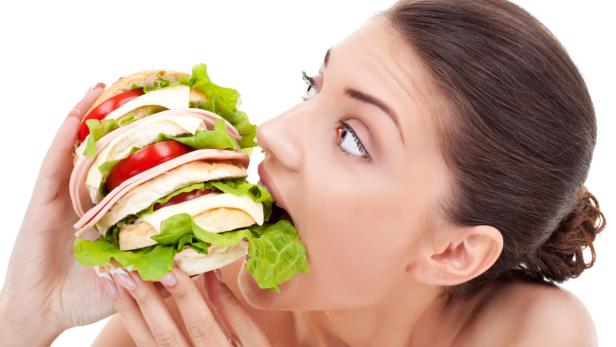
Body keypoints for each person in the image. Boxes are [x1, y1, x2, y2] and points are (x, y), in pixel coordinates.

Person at [0, 0, 607, 346]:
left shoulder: (533, 333)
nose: (274, 133)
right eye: (312, 87)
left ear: (453, 250)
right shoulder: (198, 303)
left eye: (352, 138)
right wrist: (26, 320)